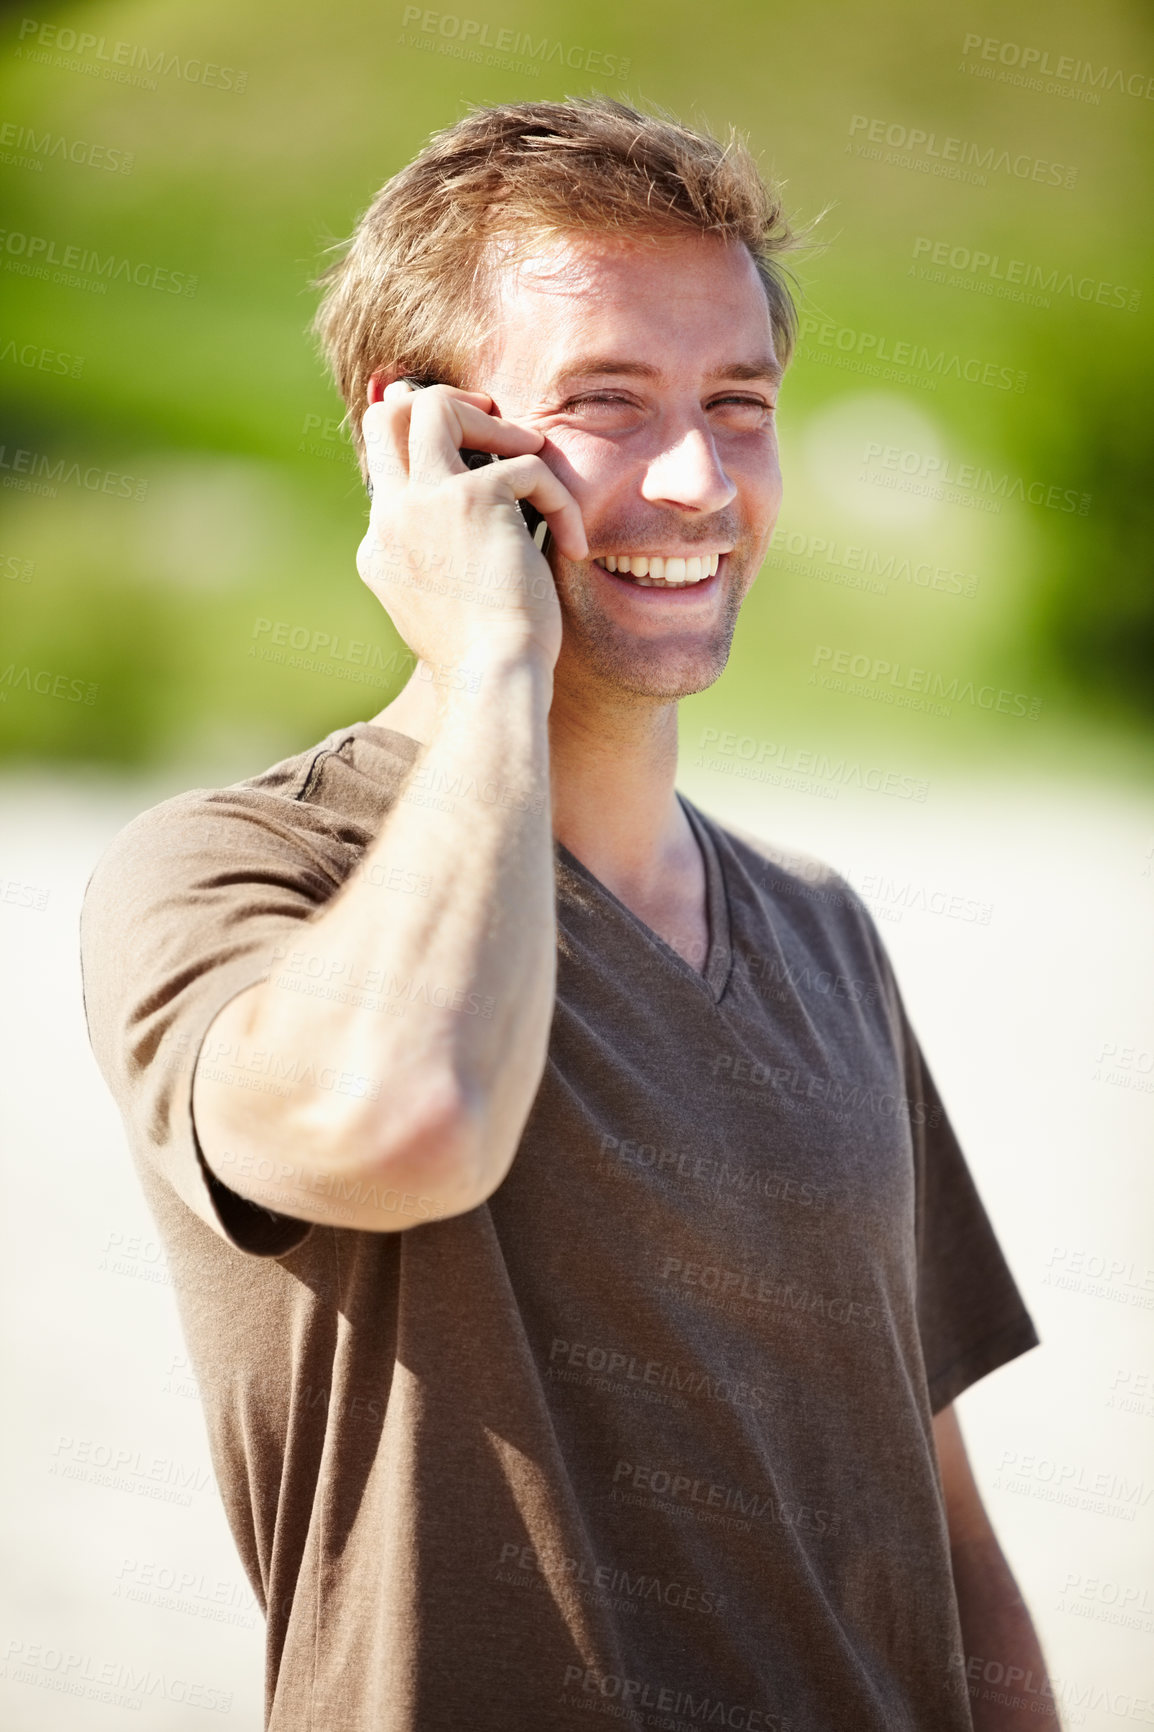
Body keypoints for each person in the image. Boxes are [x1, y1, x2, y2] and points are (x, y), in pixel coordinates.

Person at [80, 97, 1059, 1732]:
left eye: (736, 406)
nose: (694, 481)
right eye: (605, 404)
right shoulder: (233, 873)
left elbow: (944, 1534)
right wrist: (492, 665)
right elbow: (406, 1122)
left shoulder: (820, 932)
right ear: (420, 438)